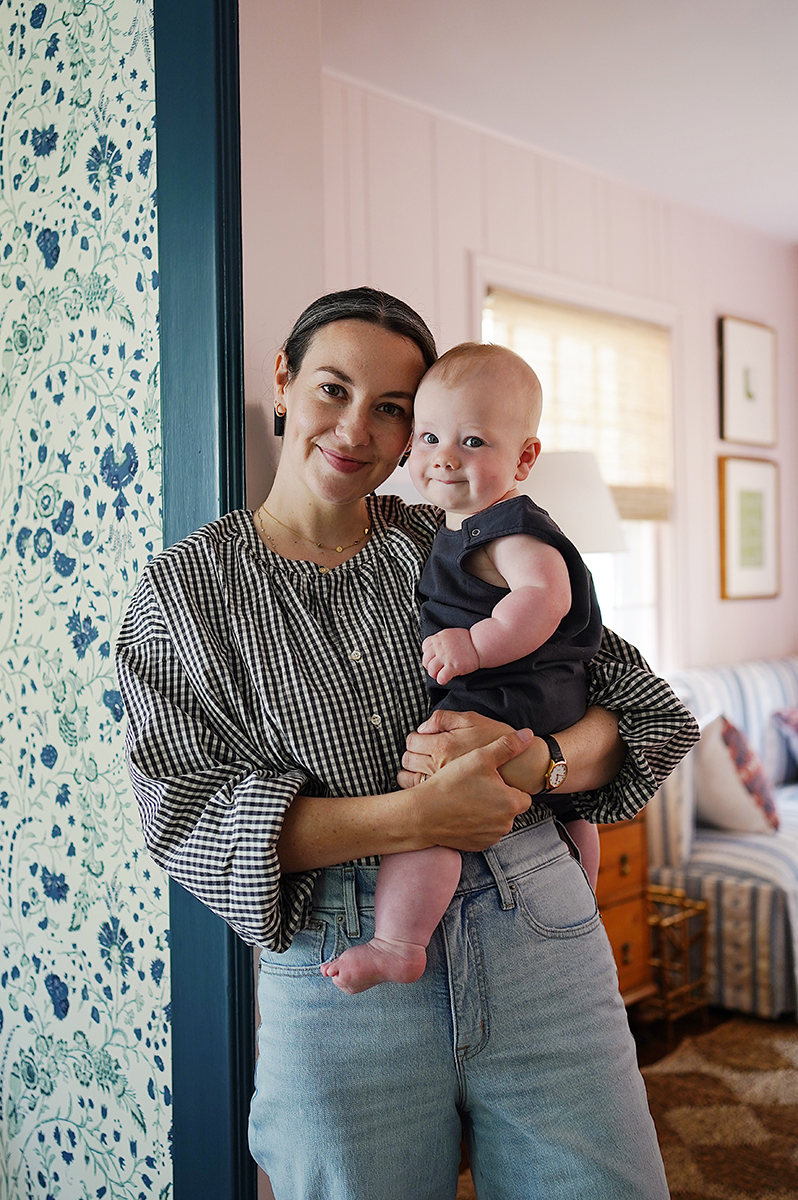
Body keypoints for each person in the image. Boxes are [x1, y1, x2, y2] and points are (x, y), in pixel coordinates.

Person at [116, 286, 697, 1200]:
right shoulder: (185, 592)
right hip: (343, 967)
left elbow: (640, 711)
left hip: (535, 925)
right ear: (283, 379)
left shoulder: (463, 539)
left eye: (392, 409)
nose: (357, 429)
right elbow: (186, 818)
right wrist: (416, 815)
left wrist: (534, 761)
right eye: (334, 389)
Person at [322, 342, 602, 995]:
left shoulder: (510, 529)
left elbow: (545, 598)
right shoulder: (458, 523)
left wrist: (476, 646)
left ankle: (398, 942)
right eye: (428, 437)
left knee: (434, 804)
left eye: (473, 440)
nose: (445, 456)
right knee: (572, 810)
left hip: (508, 692)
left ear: (525, 458)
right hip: (539, 701)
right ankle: (581, 891)